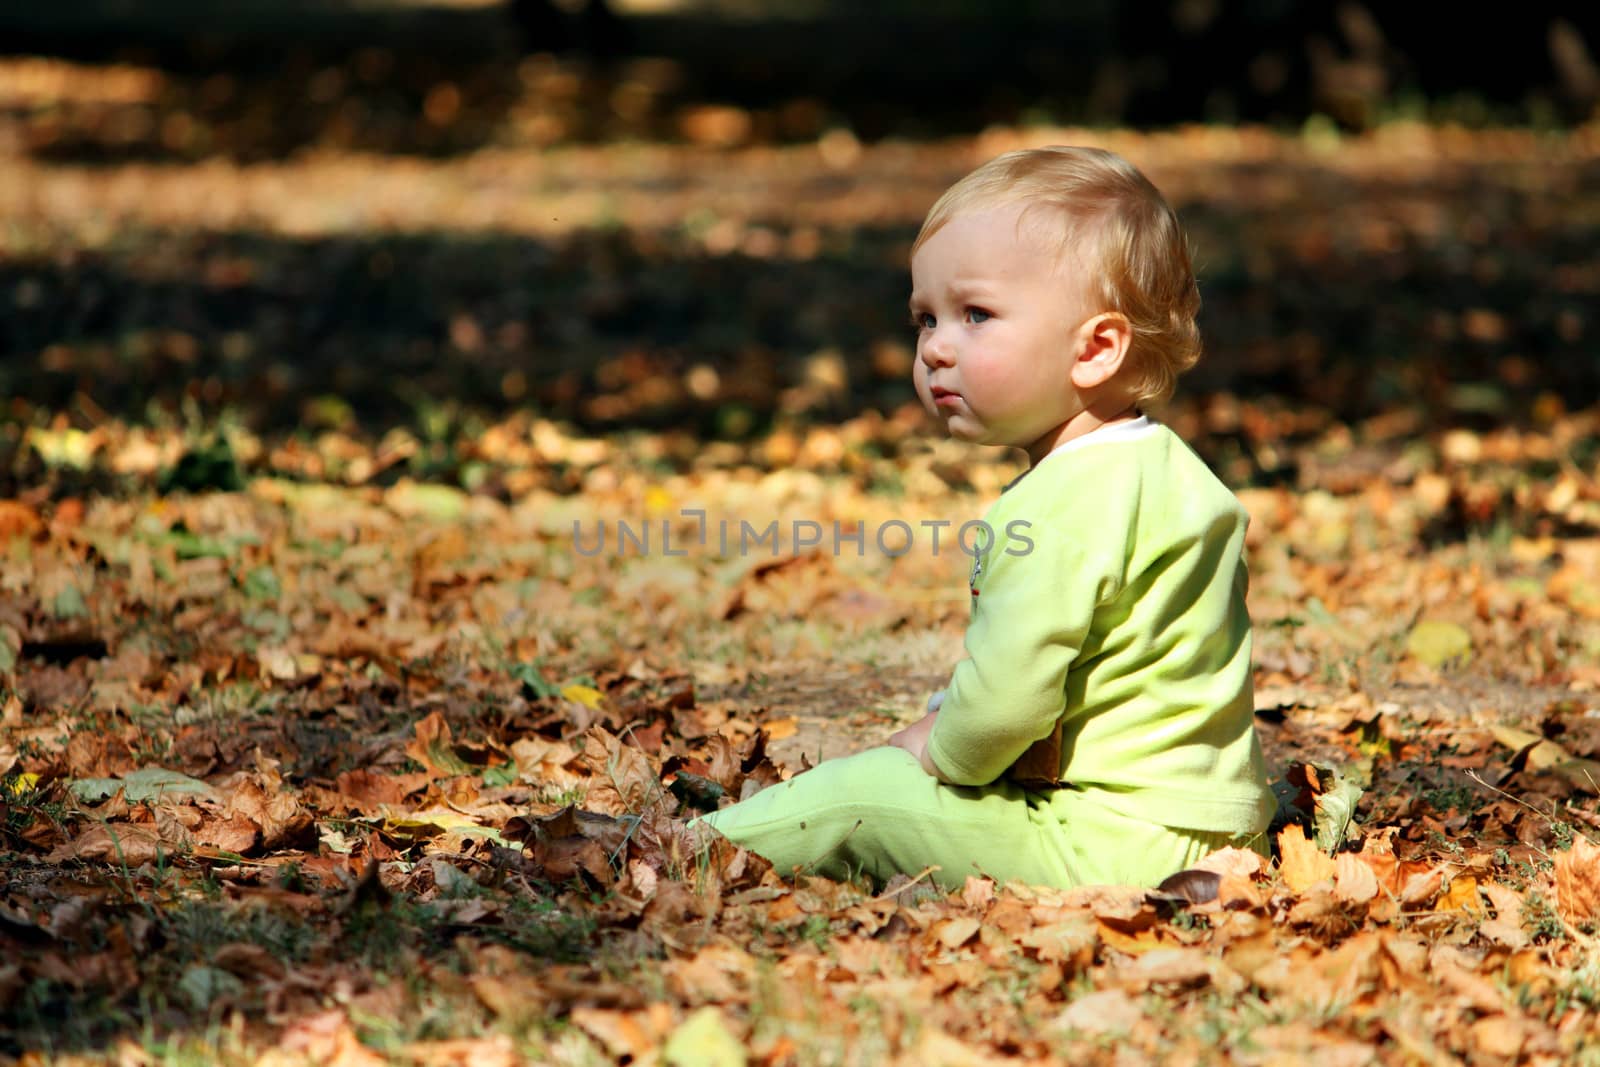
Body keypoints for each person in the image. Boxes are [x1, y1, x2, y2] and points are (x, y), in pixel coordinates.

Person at [693, 146, 1275, 889]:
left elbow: (1004, 709)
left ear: (1095, 348)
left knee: (863, 795)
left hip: (1109, 844)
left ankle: (675, 847)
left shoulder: (1058, 508)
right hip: (1213, 824)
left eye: (975, 314)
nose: (935, 346)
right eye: (925, 318)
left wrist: (931, 751)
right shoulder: (1169, 472)